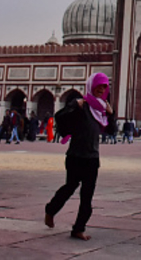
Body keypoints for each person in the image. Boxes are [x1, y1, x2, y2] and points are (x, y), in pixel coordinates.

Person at [44, 72, 111, 242]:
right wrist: (75, 108)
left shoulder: (102, 108)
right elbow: (60, 118)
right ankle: (51, 210)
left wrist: (111, 114)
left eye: (104, 87)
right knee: (70, 187)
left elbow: (111, 131)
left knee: (87, 195)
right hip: (76, 155)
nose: (101, 89)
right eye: (98, 86)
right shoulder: (80, 104)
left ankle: (78, 228)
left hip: (92, 157)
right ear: (92, 86)